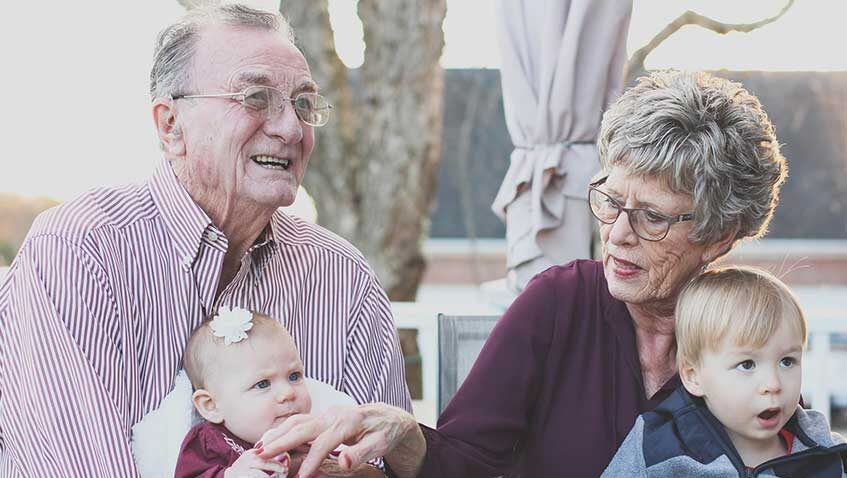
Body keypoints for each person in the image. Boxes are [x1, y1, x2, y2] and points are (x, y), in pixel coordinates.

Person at [255, 70, 792, 478]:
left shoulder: (751, 328)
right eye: (609, 200)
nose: (618, 233)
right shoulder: (558, 303)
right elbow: (463, 462)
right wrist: (403, 435)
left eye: (651, 217)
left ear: (720, 236)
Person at [0, 5, 411, 476]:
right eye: (256, 98)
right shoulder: (79, 251)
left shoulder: (342, 274)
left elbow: (387, 466)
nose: (291, 129)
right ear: (171, 126)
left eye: (302, 104)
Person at [601, 266, 847, 477]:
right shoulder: (658, 449)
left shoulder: (826, 455)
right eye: (747, 365)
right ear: (693, 376)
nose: (773, 384)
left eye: (787, 361)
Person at [175, 308, 306, 478]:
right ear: (212, 406)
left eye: (294, 376)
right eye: (262, 384)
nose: (288, 392)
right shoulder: (210, 442)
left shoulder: (309, 437)